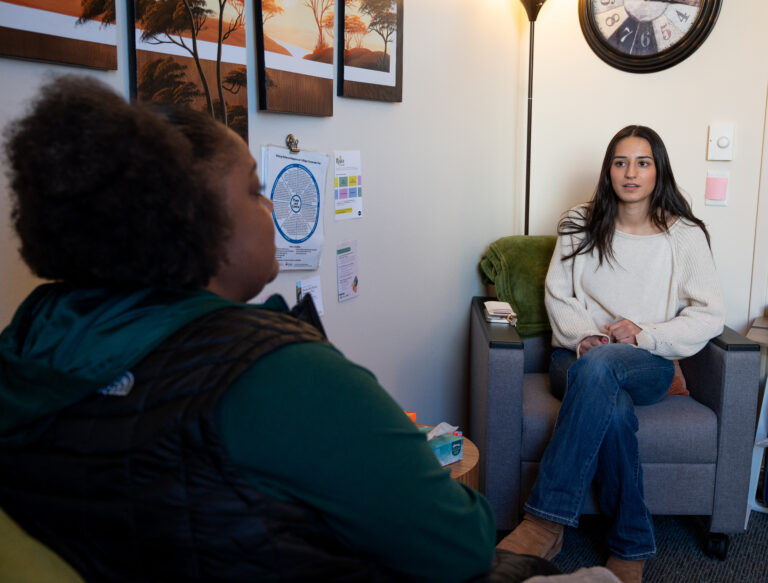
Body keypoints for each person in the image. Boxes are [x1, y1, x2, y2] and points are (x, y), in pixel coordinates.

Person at [0, 76, 561, 583]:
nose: (270, 205)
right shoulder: (277, 369)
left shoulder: (27, 344)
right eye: (253, 190)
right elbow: (460, 542)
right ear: (191, 219)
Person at [496, 126, 725, 583]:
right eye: (620, 162)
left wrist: (645, 334)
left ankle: (544, 523)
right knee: (612, 406)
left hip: (648, 363)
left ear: (658, 171)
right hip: (576, 358)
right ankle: (631, 542)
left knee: (604, 368)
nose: (630, 173)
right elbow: (558, 295)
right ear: (608, 171)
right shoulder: (577, 223)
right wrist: (584, 337)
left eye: (642, 162)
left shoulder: (685, 235)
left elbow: (710, 315)